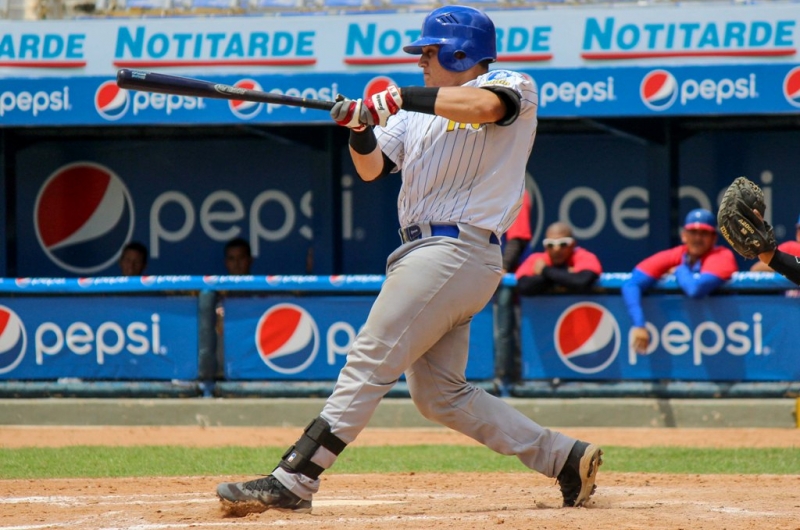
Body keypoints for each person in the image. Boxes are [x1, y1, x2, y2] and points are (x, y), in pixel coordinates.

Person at [216, 5, 602, 514]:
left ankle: (295, 478)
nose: (420, 60)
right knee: (439, 396)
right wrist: (359, 127)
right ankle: (563, 457)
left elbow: (486, 107)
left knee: (370, 359)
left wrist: (397, 98)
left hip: (455, 248)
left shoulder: (512, 82)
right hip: (427, 254)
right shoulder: (414, 113)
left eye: (428, 51)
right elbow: (374, 167)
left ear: (461, 52)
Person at [622, 208, 738, 354]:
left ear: (714, 238)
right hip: (688, 339)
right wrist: (639, 324)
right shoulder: (677, 254)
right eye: (693, 233)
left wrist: (678, 270)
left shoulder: (723, 256)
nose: (697, 238)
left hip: (729, 336)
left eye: (704, 233)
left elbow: (695, 290)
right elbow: (632, 284)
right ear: (684, 236)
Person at [493, 190, 532, 390]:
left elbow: (518, 238)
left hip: (508, 279)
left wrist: (503, 267)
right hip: (479, 274)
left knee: (506, 329)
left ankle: (508, 382)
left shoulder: (514, 190)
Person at [515, 221, 602, 295]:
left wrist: (545, 270)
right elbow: (524, 285)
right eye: (550, 244)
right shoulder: (537, 259)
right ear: (545, 247)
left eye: (563, 244)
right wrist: (567, 274)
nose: (556, 249)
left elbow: (582, 281)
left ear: (573, 244)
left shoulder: (584, 256)